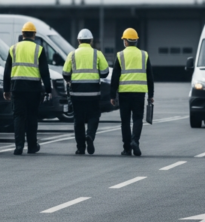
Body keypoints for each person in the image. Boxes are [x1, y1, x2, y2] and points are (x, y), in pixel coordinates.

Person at [3, 21, 52, 155]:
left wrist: (6, 89)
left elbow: (7, 71)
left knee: (18, 116)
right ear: (34, 35)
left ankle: (19, 147)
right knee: (32, 117)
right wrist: (48, 90)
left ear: (22, 34)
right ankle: (32, 146)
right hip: (33, 88)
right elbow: (45, 72)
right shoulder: (39, 49)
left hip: (17, 87)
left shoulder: (13, 48)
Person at [62, 28, 109, 155]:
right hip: (93, 93)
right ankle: (90, 136)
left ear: (78, 40)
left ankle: (80, 148)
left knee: (78, 120)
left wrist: (71, 79)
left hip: (76, 93)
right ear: (91, 41)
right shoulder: (97, 54)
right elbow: (105, 73)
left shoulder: (72, 54)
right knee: (94, 116)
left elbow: (65, 73)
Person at [110, 27, 154, 156]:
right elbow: (150, 76)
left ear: (125, 41)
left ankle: (127, 148)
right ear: (136, 41)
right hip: (139, 93)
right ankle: (135, 141)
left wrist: (112, 95)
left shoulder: (120, 55)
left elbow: (115, 77)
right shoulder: (144, 55)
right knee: (137, 119)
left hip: (124, 93)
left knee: (125, 121)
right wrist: (151, 95)